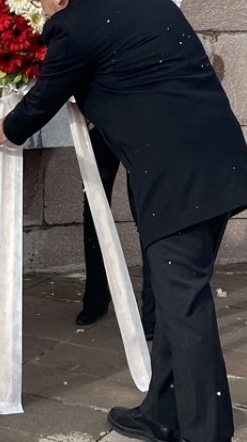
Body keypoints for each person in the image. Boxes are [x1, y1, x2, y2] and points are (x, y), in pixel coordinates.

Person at [0, 0, 247, 442]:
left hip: (177, 180)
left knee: (183, 307)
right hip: (219, 165)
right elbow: (144, 74)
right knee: (172, 296)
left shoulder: (74, 24)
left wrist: (8, 128)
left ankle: (208, 433)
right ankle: (162, 411)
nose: (41, 9)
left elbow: (47, 95)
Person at [76, 130, 156, 341]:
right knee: (95, 206)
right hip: (100, 119)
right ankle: (96, 297)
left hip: (139, 121)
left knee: (147, 211)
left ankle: (153, 311)